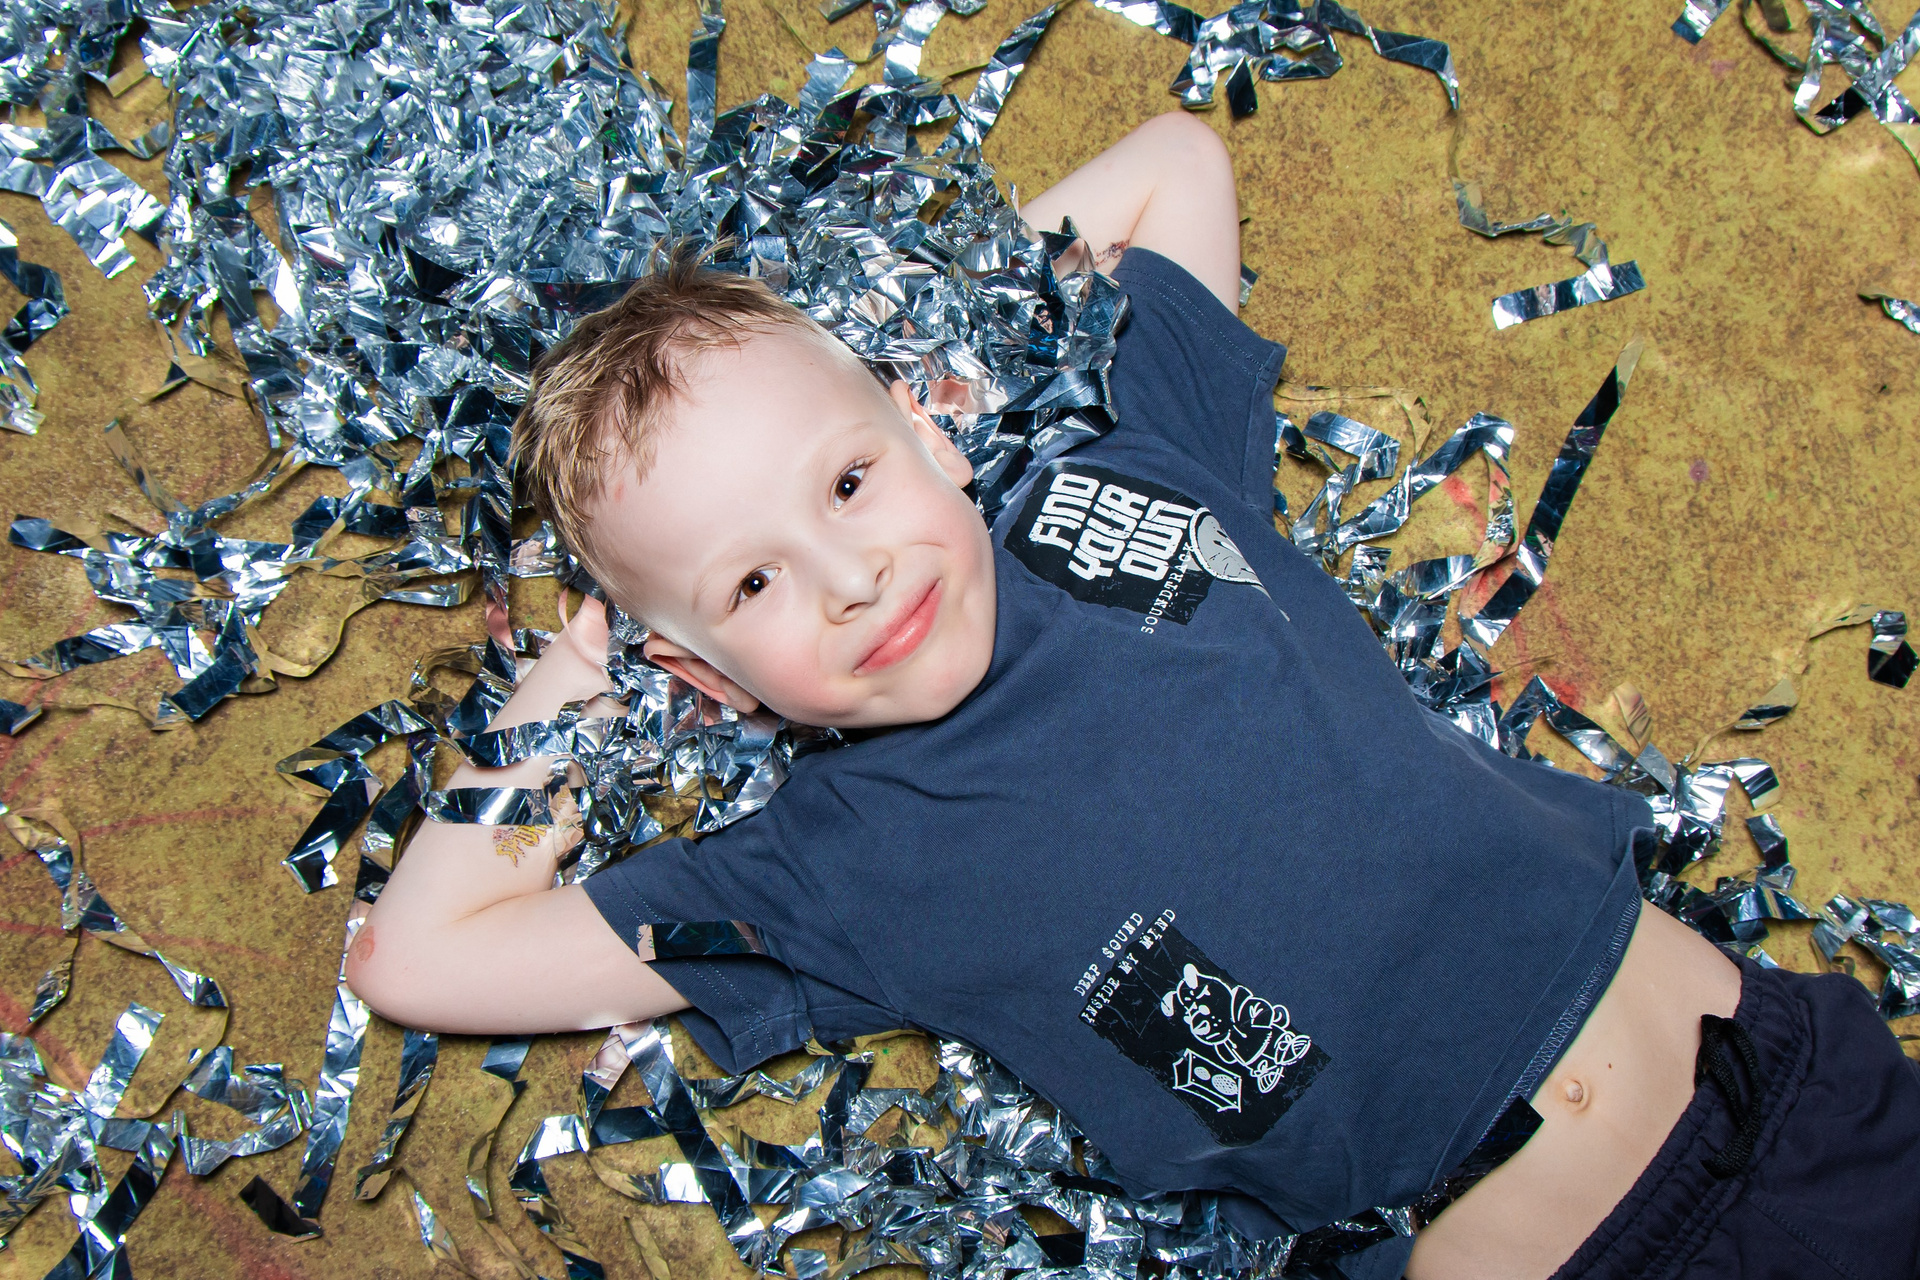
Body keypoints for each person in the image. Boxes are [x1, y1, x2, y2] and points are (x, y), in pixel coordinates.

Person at [345, 112, 1920, 1279]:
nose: (850, 577)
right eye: (751, 586)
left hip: (1791, 1080)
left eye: (848, 481)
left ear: (931, 431)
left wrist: (946, 347)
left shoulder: (1128, 471)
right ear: (706, 673)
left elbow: (1177, 164)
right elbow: (421, 958)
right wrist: (564, 698)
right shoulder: (823, 871)